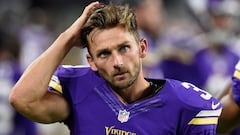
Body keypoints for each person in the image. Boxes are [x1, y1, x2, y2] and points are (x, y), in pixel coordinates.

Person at [9, 2, 222, 134]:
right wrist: (66, 39)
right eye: (104, 53)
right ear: (90, 61)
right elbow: (22, 99)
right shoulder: (78, 90)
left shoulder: (187, 105)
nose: (117, 62)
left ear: (142, 48)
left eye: (124, 48)